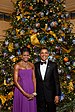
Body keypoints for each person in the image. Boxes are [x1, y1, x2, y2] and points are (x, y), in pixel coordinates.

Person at [35, 47, 61, 112]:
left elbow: (56, 81)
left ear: (48, 54)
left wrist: (57, 95)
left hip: (51, 94)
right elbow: (34, 79)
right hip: (39, 94)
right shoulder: (35, 65)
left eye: (46, 53)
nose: (44, 54)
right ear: (39, 54)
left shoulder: (53, 65)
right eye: (42, 53)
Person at [13, 46, 37, 112]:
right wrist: (25, 94)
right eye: (24, 55)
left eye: (27, 55)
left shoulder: (32, 65)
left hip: (31, 90)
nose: (26, 57)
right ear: (21, 56)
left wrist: (34, 92)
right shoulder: (17, 66)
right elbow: (15, 81)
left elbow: (34, 79)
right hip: (21, 91)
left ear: (29, 56)